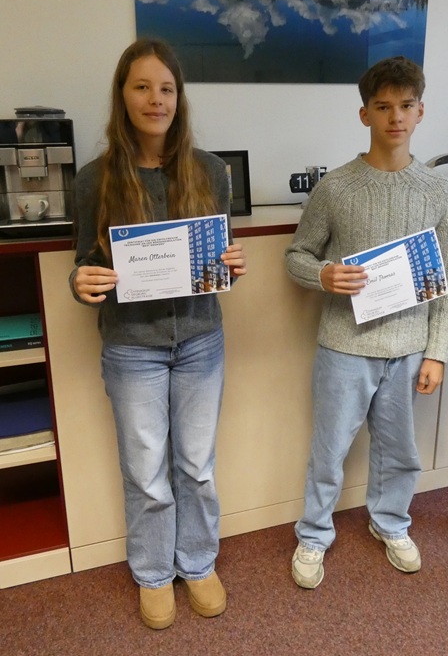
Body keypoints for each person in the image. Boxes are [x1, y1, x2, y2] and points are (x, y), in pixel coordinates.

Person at [69, 39, 247, 629]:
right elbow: (84, 263)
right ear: (122, 96)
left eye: (166, 88)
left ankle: (197, 562)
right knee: (146, 473)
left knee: (196, 466)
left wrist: (231, 264)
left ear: (179, 97)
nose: (155, 99)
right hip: (131, 348)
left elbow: (217, 257)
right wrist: (81, 281)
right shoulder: (94, 180)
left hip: (200, 341)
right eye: (142, 87)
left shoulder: (210, 172)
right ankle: (152, 573)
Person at [285, 56, 448, 589]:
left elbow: (447, 281)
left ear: (421, 111)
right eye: (383, 107)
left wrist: (437, 352)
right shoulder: (336, 187)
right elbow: (296, 255)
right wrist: (324, 275)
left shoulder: (440, 191)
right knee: (329, 450)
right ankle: (314, 533)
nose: (395, 117)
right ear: (365, 114)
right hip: (344, 345)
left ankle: (391, 523)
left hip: (408, 348)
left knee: (399, 451)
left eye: (406, 106)